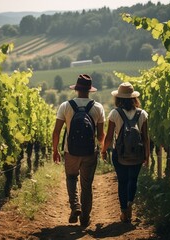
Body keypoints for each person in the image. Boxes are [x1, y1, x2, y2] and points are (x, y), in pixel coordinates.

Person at [52, 74, 105, 227]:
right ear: (90, 90)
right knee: (87, 185)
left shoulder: (65, 106)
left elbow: (56, 132)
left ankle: (75, 206)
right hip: (89, 152)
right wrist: (102, 149)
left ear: (76, 89)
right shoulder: (98, 107)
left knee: (71, 178)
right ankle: (85, 219)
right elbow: (100, 135)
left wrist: (55, 150)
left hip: (71, 152)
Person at [101, 82, 149, 223]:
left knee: (122, 182)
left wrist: (104, 150)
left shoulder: (115, 113)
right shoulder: (143, 113)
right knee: (133, 180)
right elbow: (146, 138)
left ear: (118, 98)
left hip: (119, 153)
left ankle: (123, 212)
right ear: (134, 98)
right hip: (138, 154)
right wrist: (147, 155)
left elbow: (109, 137)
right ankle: (130, 203)